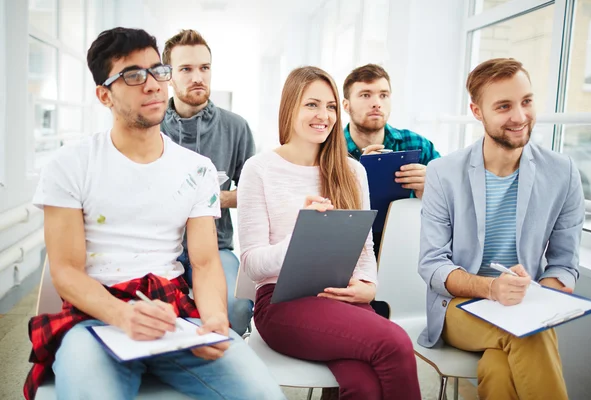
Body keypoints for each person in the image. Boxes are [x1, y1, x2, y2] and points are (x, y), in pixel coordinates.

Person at [23, 27, 284, 400]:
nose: (152, 85)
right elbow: (65, 271)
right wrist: (121, 315)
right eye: (132, 75)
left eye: (157, 71)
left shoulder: (198, 169)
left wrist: (213, 319)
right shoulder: (70, 165)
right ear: (104, 95)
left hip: (174, 314)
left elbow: (207, 262)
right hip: (94, 317)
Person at [237, 66, 421, 400]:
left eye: (331, 106)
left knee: (365, 384)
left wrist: (368, 286)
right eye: (312, 105)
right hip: (281, 301)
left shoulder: (352, 170)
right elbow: (252, 264)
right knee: (395, 343)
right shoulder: (259, 169)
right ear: (290, 107)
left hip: (341, 296)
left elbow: (364, 247)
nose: (324, 115)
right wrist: (300, 235)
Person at [418, 58, 585, 400]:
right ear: (477, 112)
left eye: (526, 101)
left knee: (497, 366)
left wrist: (543, 296)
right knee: (531, 333)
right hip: (459, 306)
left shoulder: (563, 172)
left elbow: (564, 262)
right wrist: (492, 288)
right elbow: (433, 265)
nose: (520, 117)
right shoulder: (442, 172)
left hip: (522, 304)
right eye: (504, 106)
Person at [160, 29, 254, 336]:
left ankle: (226, 363)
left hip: (217, 247)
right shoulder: (151, 126)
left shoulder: (236, 127)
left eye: (204, 68)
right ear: (168, 76)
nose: (197, 76)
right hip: (161, 250)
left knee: (238, 305)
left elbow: (254, 192)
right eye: (186, 69)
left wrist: (218, 198)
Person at [342, 64, 441, 257]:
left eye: (383, 95)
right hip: (346, 248)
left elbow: (454, 201)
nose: (376, 103)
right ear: (346, 105)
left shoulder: (417, 145)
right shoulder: (329, 151)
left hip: (406, 248)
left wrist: (432, 187)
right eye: (365, 95)